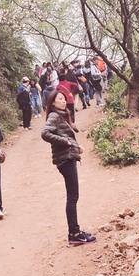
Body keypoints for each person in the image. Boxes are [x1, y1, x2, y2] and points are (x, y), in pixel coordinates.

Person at [41, 90, 96, 245]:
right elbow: (45, 133)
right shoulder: (54, 116)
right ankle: (74, 233)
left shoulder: (61, 116)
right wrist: (65, 142)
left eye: (64, 99)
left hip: (68, 158)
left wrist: (75, 146)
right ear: (52, 103)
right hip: (65, 161)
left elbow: (66, 136)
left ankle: (75, 231)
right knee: (73, 197)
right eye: (60, 99)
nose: (64, 101)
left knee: (73, 196)